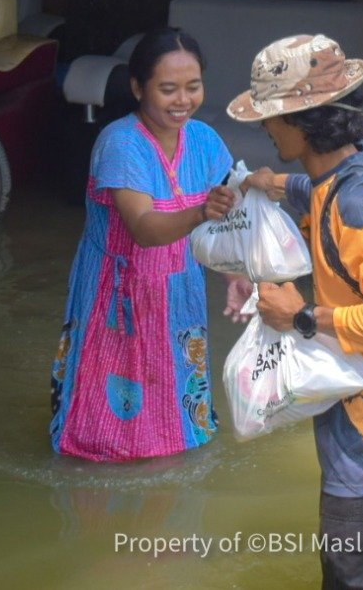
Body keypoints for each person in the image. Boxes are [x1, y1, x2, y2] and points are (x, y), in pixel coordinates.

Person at [228, 33, 363, 590]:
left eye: (271, 118)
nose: (265, 128)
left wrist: (303, 316)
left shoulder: (355, 206)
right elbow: (316, 186)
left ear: (302, 121)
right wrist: (269, 183)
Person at [50, 27, 243, 461]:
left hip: (179, 293)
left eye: (193, 87)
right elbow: (142, 227)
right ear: (138, 87)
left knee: (178, 420)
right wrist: (200, 212)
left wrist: (235, 273)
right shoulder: (121, 143)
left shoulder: (205, 140)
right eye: (168, 89)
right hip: (117, 296)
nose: (183, 101)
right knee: (104, 436)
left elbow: (224, 222)